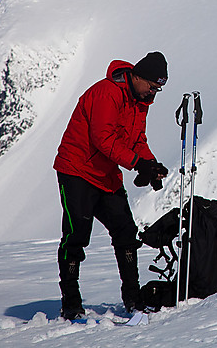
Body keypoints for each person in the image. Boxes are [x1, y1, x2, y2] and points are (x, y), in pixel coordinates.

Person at [53, 51, 170, 319]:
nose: (154, 93)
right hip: (77, 170)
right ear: (138, 76)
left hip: (106, 175)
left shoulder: (141, 100)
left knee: (126, 232)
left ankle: (132, 297)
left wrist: (150, 164)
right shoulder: (107, 93)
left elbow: (137, 139)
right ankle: (71, 302)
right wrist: (136, 163)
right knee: (76, 236)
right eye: (153, 86)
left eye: (158, 89)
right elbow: (103, 139)